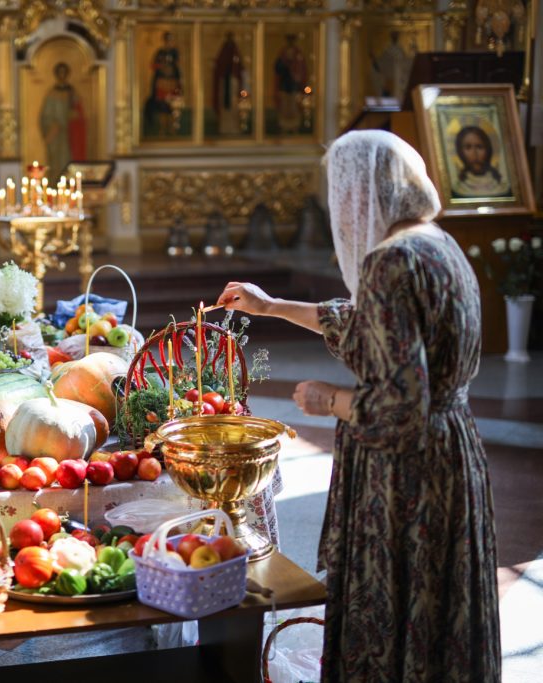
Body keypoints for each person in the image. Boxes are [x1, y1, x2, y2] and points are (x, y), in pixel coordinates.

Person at [217, 130, 500, 681]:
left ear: (366, 190)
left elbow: (401, 406)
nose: (339, 209)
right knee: (439, 606)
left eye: (342, 192)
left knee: (395, 603)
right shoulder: (435, 243)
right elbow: (366, 324)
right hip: (451, 453)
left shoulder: (391, 261)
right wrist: (271, 306)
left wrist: (330, 400)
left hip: (404, 476)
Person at [39, 62, 86, 184]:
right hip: (55, 135)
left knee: (67, 161)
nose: (62, 75)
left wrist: (73, 117)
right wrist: (52, 126)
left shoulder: (73, 93)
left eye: (64, 73)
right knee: (55, 163)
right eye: (59, 73)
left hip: (68, 135)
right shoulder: (51, 94)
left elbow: (78, 114)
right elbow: (44, 116)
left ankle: (68, 185)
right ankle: (54, 185)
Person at [452, 125, 511, 199]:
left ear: (488, 150)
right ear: (460, 152)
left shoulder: (502, 187)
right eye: (468, 147)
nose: (474, 153)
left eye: (479, 146)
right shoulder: (458, 189)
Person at [144, 32, 182, 137]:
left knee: (173, 106)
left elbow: (178, 65)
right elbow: (153, 65)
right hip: (161, 82)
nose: (169, 42)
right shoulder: (160, 52)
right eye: (167, 40)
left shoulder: (175, 52)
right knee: (161, 106)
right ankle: (162, 129)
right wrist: (161, 66)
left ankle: (173, 129)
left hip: (173, 82)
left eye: (170, 40)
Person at [273, 34, 307, 134]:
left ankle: (294, 126)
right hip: (284, 84)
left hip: (294, 85)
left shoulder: (298, 54)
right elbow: (277, 68)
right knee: (285, 106)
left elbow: (302, 69)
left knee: (294, 106)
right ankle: (284, 126)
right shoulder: (282, 53)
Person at [213, 32, 245, 135]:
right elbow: (220, 67)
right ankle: (225, 128)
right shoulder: (224, 50)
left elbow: (239, 68)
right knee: (225, 107)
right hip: (225, 82)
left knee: (233, 106)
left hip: (233, 82)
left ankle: (234, 128)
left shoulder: (235, 51)